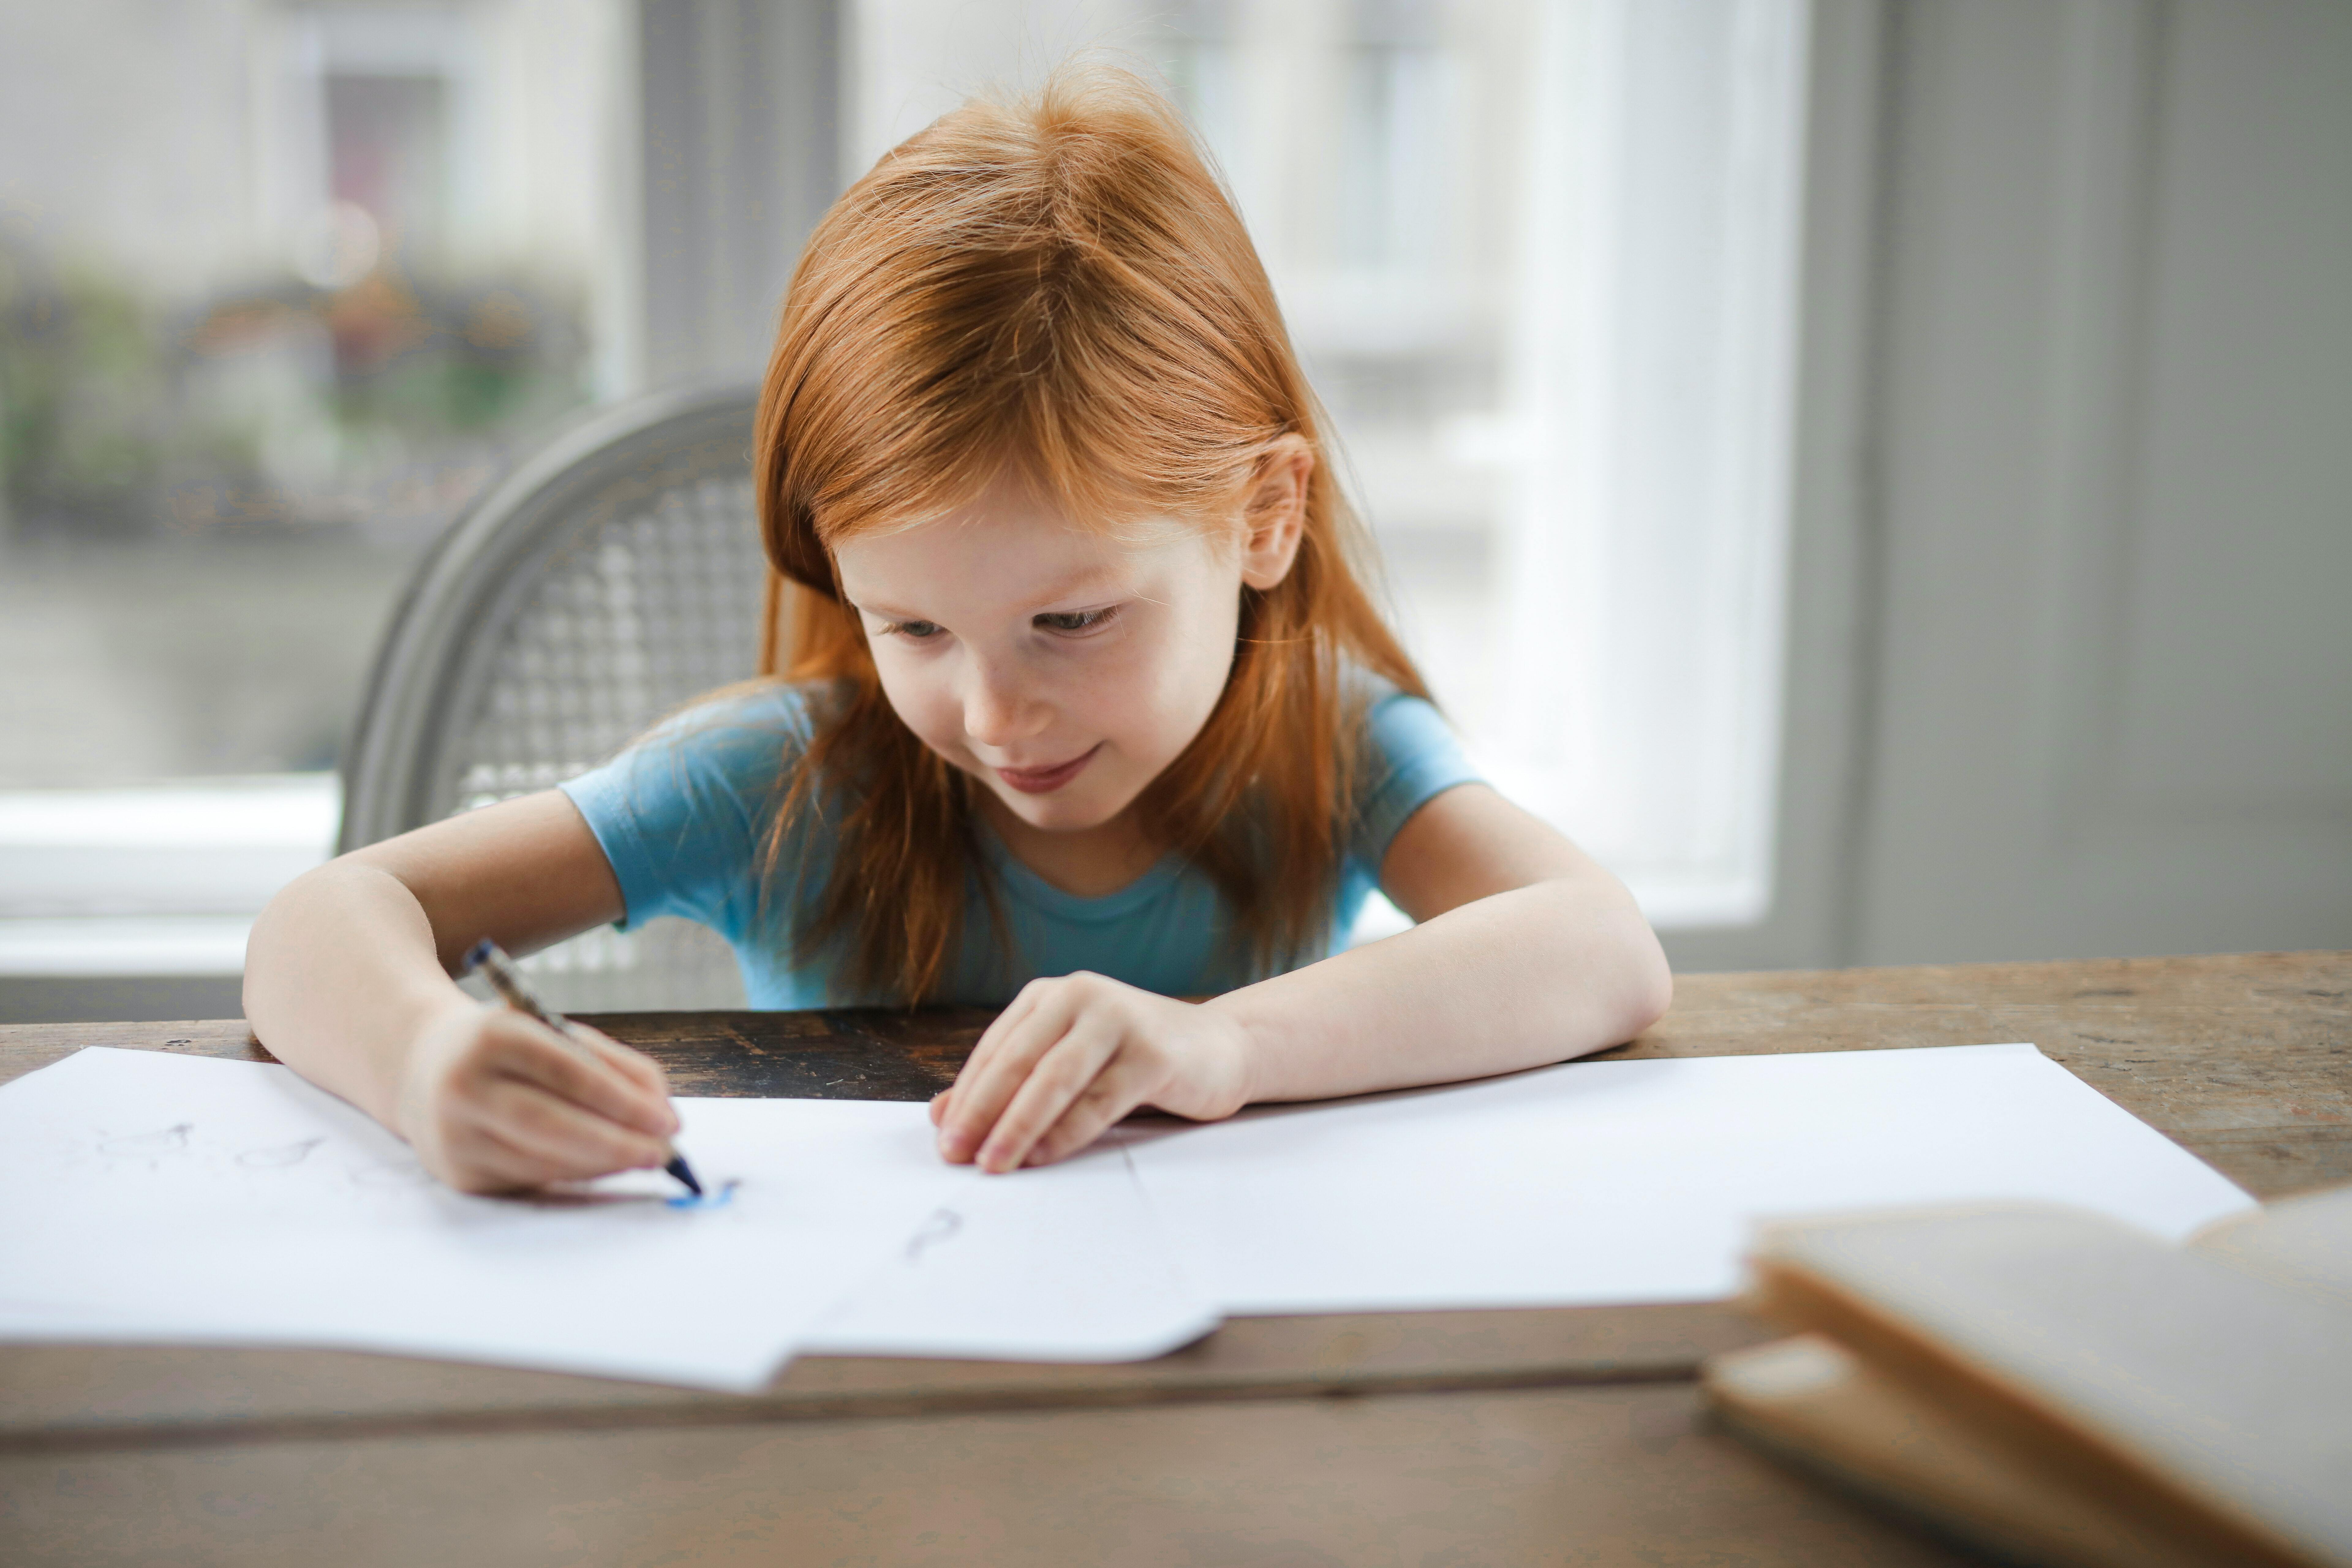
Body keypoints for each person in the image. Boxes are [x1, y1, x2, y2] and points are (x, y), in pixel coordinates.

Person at [244, 65, 1672, 1195]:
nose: (992, 713)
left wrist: (1223, 1041)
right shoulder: (776, 779)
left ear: (1263, 516)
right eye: (912, 625)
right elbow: (321, 921)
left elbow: (1602, 946)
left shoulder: (1331, 734)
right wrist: (426, 1058)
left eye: (1070, 617)